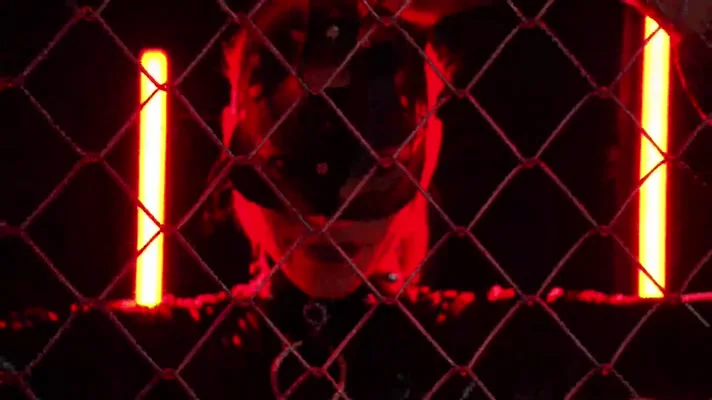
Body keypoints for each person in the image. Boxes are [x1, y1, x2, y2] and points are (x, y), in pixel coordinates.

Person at [2, 1, 710, 398]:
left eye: (368, 163)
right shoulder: (154, 357)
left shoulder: (485, 349)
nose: (326, 213)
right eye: (292, 159)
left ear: (426, 148)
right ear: (234, 137)